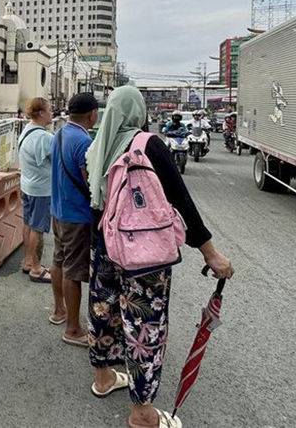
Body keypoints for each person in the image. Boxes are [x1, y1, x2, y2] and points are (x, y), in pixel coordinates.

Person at [85, 86, 234, 427]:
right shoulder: (148, 144)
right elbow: (180, 199)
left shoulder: (97, 147)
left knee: (103, 312)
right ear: (138, 112)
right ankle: (142, 414)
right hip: (142, 258)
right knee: (144, 327)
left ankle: (104, 377)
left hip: (103, 248)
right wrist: (209, 252)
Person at [49, 92, 100, 346]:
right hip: (76, 217)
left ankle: (59, 311)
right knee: (74, 271)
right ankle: (72, 328)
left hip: (57, 210)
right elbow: (88, 181)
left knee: (58, 261)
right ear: (92, 114)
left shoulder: (58, 134)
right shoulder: (84, 142)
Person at [17, 97, 54, 283]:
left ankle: (28, 260)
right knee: (38, 228)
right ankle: (37, 268)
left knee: (28, 223)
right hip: (42, 188)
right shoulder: (45, 137)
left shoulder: (26, 131)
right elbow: (57, 159)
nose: (52, 113)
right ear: (41, 113)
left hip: (28, 184)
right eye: (49, 109)